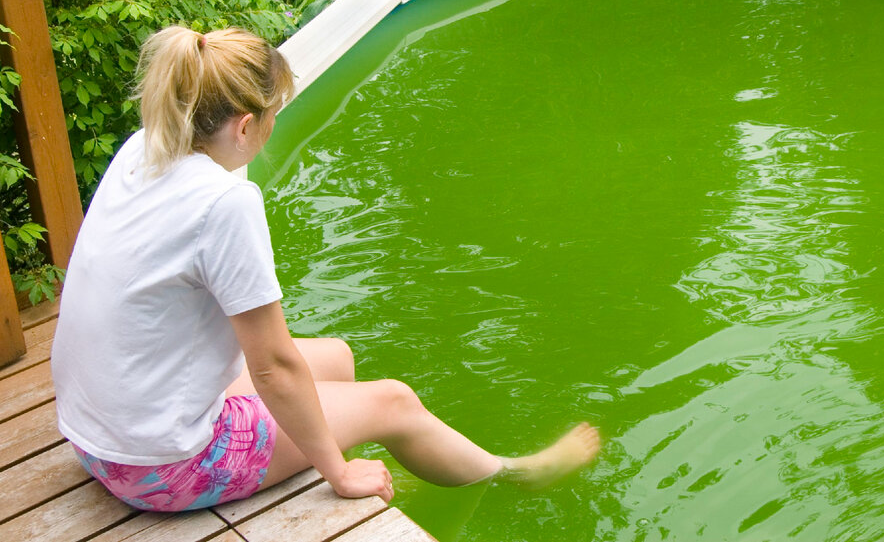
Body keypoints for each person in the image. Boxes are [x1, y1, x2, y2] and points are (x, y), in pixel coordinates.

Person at [50, 26, 600, 512]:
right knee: (394, 402)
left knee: (336, 358)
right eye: (272, 117)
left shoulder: (147, 147)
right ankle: (512, 473)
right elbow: (273, 368)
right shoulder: (223, 204)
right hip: (160, 469)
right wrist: (338, 472)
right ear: (244, 127)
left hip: (95, 435)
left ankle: (348, 470)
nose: (273, 128)